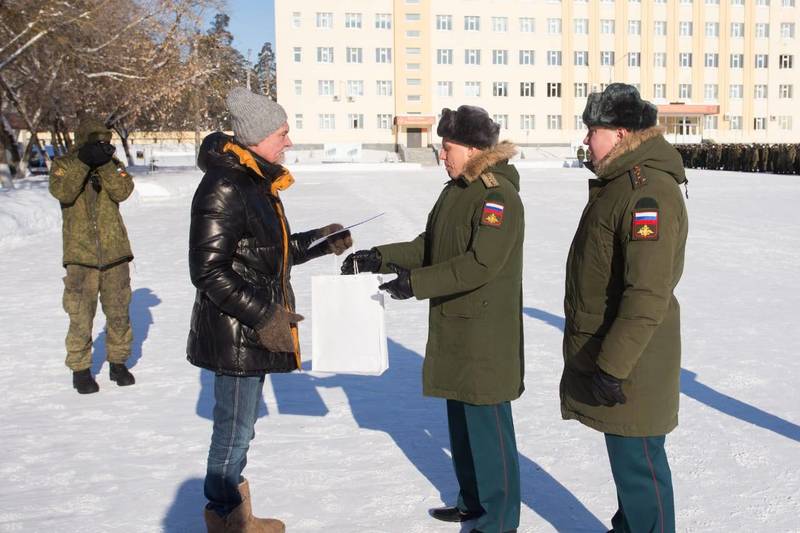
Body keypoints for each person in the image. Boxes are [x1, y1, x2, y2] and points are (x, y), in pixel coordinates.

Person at [342, 105, 524, 533]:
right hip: (455, 324)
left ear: (474, 148)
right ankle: (472, 502)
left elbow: (481, 263)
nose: (442, 155)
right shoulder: (457, 190)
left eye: (447, 147)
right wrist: (381, 257)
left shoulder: (497, 195)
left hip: (483, 334)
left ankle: (498, 520)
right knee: (461, 425)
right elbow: (432, 244)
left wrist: (416, 283)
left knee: (488, 431)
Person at [187, 87, 352, 533]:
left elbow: (267, 253)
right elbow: (207, 271)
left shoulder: (255, 180)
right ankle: (226, 520)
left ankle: (237, 516)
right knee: (233, 431)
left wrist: (319, 240)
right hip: (236, 332)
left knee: (241, 429)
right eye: (283, 132)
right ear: (257, 136)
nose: (289, 141)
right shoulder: (225, 186)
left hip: (250, 330)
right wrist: (265, 317)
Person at [560, 83, 689, 533]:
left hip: (634, 359)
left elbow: (646, 292)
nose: (585, 141)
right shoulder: (622, 185)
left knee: (640, 468)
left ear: (618, 133)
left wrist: (612, 366)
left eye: (591, 130)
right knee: (629, 466)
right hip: (622, 352)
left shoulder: (645, 192)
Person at [49, 117, 135, 394]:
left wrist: (106, 164)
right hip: (80, 257)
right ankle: (80, 368)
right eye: (98, 143)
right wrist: (84, 163)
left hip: (115, 255)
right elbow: (63, 191)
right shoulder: (63, 165)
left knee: (119, 313)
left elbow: (123, 191)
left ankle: (118, 362)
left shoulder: (113, 166)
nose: (104, 147)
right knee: (80, 315)